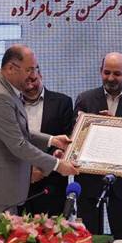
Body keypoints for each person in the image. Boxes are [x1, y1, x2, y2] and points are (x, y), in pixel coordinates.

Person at [0, 45, 79, 231]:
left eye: (35, 69)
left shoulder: (5, 89)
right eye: (29, 69)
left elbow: (17, 130)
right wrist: (58, 165)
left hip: (1, 189)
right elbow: (18, 144)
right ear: (11, 68)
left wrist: (51, 140)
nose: (33, 75)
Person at [74, 52, 122, 239]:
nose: (110, 78)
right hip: (89, 182)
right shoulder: (85, 99)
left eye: (117, 73)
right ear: (100, 71)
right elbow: (75, 139)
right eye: (106, 72)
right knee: (87, 240)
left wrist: (115, 125)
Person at [22, 65, 74, 217]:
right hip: (18, 183)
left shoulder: (62, 102)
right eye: (25, 82)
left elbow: (66, 141)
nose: (30, 86)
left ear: (41, 75)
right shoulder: (11, 104)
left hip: (51, 185)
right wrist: (28, 171)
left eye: (33, 80)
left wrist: (43, 168)